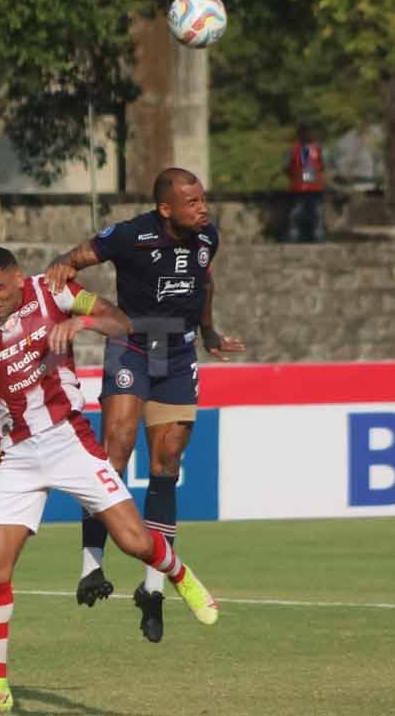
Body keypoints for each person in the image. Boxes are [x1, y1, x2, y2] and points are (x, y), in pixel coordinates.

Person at [0, 247, 219, 714]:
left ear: (19, 278)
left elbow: (121, 322)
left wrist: (80, 323)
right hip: (18, 453)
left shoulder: (54, 290)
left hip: (67, 440)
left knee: (134, 540)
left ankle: (180, 574)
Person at [47, 167, 245, 645]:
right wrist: (96, 312)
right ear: (166, 209)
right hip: (133, 344)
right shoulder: (129, 235)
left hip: (177, 353)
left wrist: (209, 333)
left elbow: (206, 286)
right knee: (114, 452)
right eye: (193, 202)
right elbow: (65, 269)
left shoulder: (206, 239)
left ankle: (153, 587)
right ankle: (91, 566)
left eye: (203, 199)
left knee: (167, 463)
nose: (203, 208)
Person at [283, 124, 327, 243]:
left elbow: (322, 165)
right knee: (300, 212)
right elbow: (286, 167)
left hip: (311, 186)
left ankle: (316, 236)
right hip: (302, 186)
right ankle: (296, 236)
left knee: (315, 213)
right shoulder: (295, 150)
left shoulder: (316, 149)